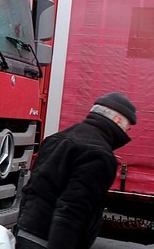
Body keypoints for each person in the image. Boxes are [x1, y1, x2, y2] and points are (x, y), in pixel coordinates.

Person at [16, 91, 138, 249]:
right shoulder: (99, 154)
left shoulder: (56, 139)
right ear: (117, 120)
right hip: (49, 241)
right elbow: (72, 208)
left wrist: (20, 228)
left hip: (26, 232)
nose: (127, 131)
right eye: (128, 126)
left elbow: (30, 190)